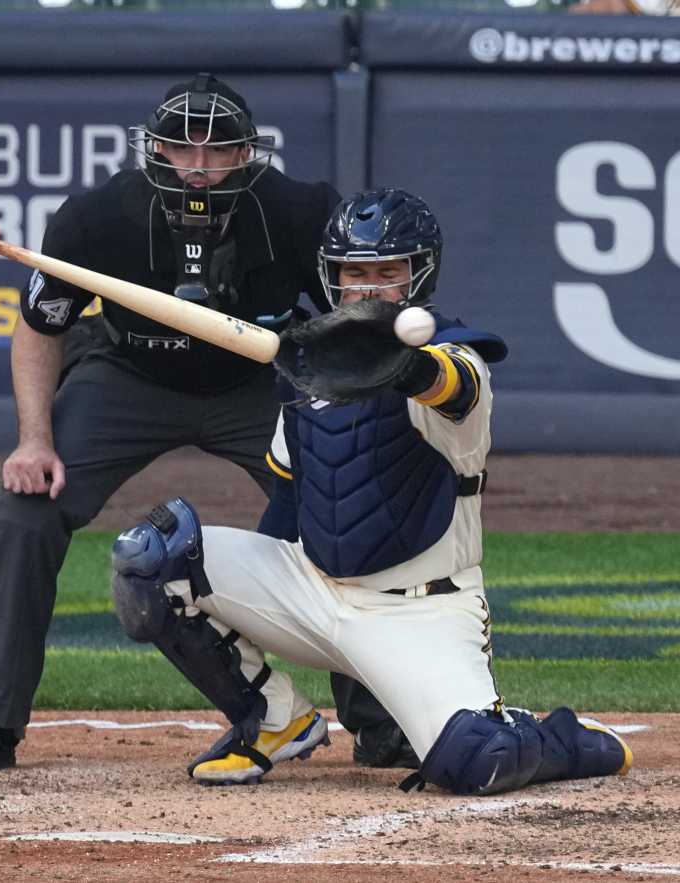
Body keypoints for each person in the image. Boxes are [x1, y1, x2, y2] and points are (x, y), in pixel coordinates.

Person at [109, 188, 633, 794]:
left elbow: (454, 385)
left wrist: (402, 367)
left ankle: (563, 740)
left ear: (419, 278)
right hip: (314, 590)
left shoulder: (455, 355)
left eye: (388, 273)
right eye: (354, 274)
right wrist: (248, 609)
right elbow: (285, 510)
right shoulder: (310, 370)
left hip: (419, 611)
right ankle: (272, 719)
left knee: (478, 761)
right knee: (153, 556)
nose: (368, 288)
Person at [0, 72, 344, 773]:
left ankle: (384, 720)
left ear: (247, 155)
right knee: (23, 508)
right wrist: (33, 439)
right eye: (182, 149)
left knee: (344, 506)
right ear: (156, 151)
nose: (198, 167)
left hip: (257, 383)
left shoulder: (299, 211)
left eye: (218, 150)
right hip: (129, 373)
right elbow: (37, 327)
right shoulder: (97, 217)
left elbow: (346, 323)